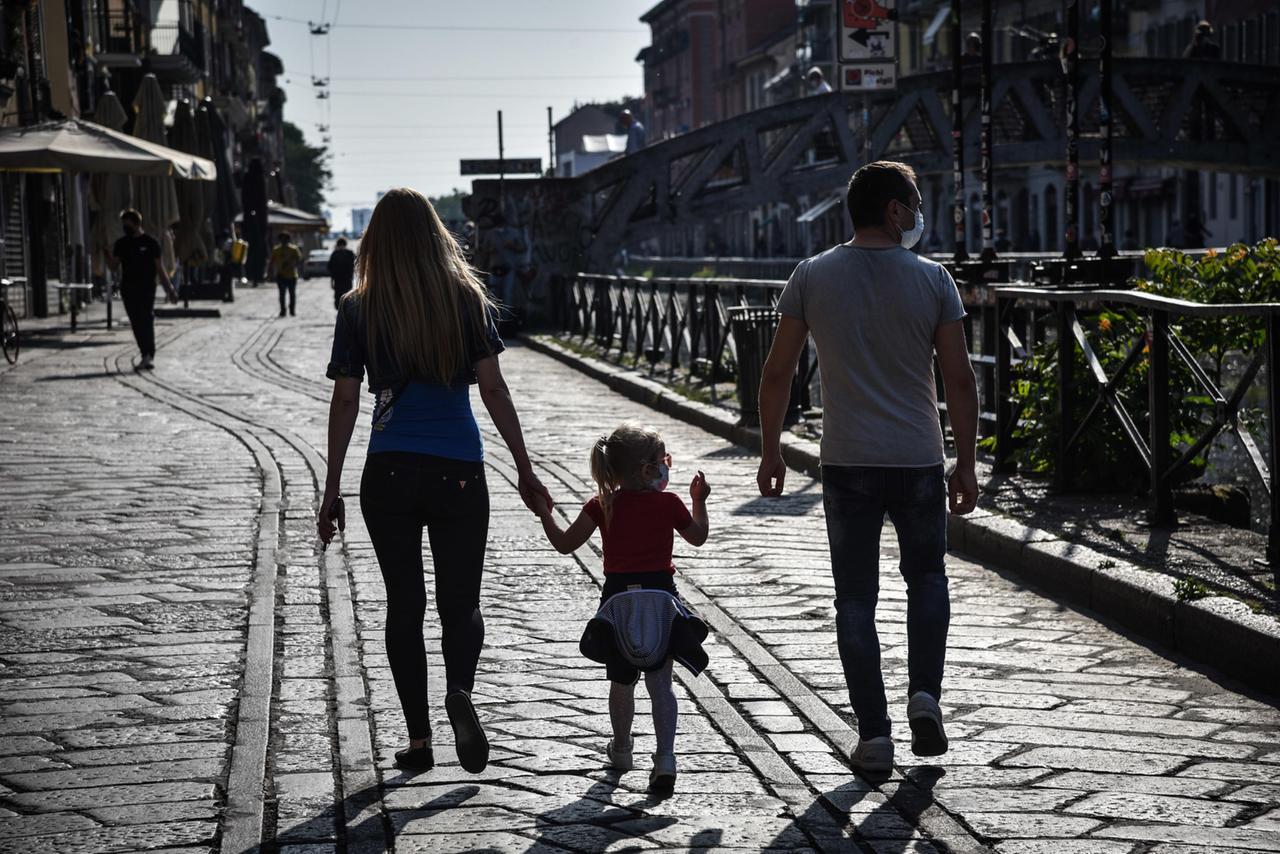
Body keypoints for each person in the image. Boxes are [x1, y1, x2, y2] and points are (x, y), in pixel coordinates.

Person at [756, 161, 979, 774]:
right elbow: (959, 380)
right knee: (927, 580)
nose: (917, 215)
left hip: (847, 458)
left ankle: (874, 735)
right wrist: (966, 461)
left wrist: (771, 448)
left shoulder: (811, 276)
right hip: (917, 457)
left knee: (856, 599)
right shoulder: (934, 280)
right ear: (893, 211)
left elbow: (778, 373)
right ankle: (925, 697)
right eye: (914, 203)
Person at [318, 188, 551, 775]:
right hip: (460, 473)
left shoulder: (357, 308)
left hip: (388, 471)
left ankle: (419, 741)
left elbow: (346, 400)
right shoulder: (465, 298)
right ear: (435, 235)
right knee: (460, 605)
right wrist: (524, 468)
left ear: (375, 241)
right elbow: (493, 389)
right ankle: (461, 695)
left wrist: (331, 488)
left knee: (404, 604)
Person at [534, 423, 710, 792]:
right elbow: (697, 536)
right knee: (661, 682)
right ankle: (665, 759)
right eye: (664, 461)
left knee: (622, 680)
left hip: (618, 604)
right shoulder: (669, 503)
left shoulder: (603, 505)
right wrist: (699, 500)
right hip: (661, 598)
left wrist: (545, 514)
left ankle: (623, 748)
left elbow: (566, 544)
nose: (667, 467)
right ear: (647, 470)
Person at [105, 208, 178, 370]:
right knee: (136, 322)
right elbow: (113, 266)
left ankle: (148, 355)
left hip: (147, 288)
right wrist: (106, 254)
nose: (126, 228)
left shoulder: (151, 243)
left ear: (137, 223)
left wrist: (170, 289)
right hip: (128, 289)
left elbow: (160, 269)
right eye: (124, 225)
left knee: (146, 319)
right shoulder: (122, 244)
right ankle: (145, 353)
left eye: (128, 225)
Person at [267, 231, 303, 317]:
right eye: (282, 239)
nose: (283, 241)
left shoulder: (294, 249)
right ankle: (283, 310)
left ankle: (292, 310)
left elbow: (300, 260)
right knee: (282, 295)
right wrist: (269, 273)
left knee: (292, 294)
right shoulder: (276, 250)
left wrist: (293, 263)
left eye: (285, 239)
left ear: (288, 240)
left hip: (292, 275)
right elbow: (271, 262)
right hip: (280, 275)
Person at [327, 237, 356, 309]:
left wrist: (332, 281)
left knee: (338, 295)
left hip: (338, 279)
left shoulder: (335, 254)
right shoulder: (350, 253)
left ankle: (339, 309)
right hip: (348, 279)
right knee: (348, 294)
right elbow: (355, 265)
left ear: (338, 244)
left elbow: (330, 268)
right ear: (345, 244)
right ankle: (347, 308)